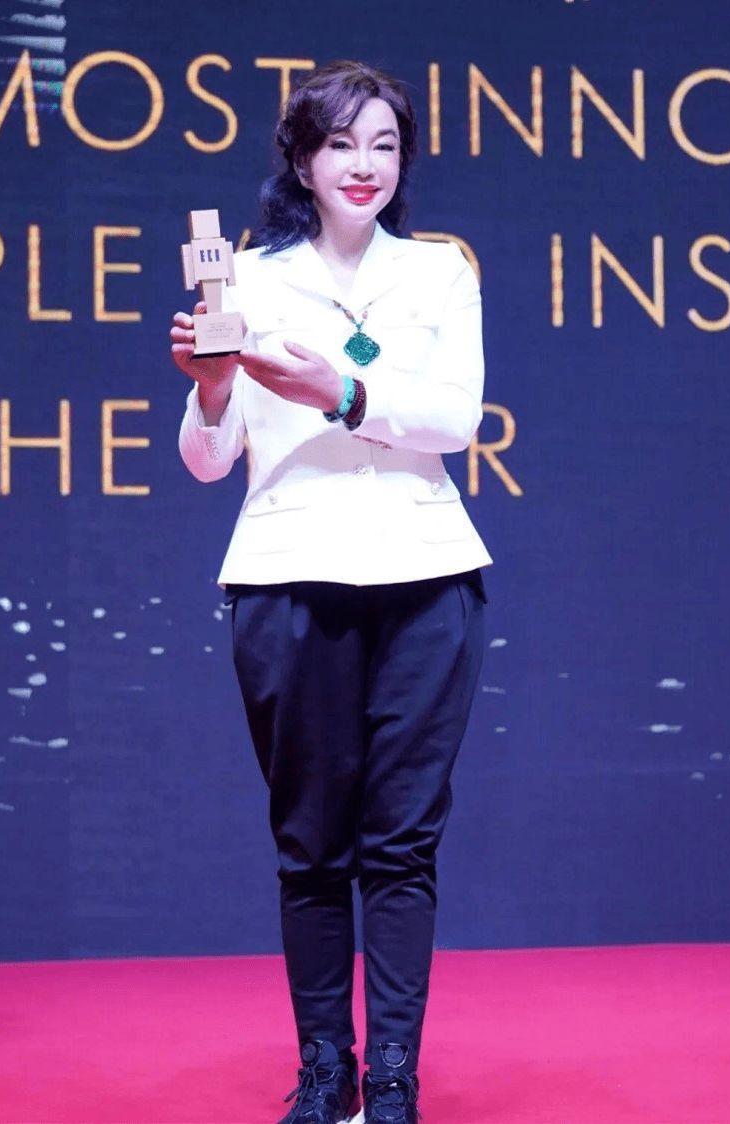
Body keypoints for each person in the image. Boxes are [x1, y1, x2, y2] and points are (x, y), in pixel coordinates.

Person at [171, 59, 493, 1124]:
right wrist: (212, 389)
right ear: (302, 160)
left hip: (425, 575)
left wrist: (342, 390)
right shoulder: (248, 279)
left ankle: (392, 1075)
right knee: (310, 845)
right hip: (286, 576)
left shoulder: (438, 273)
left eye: (384, 145)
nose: (364, 164)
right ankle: (325, 1069)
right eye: (341, 143)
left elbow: (454, 418)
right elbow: (209, 460)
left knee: (402, 843)